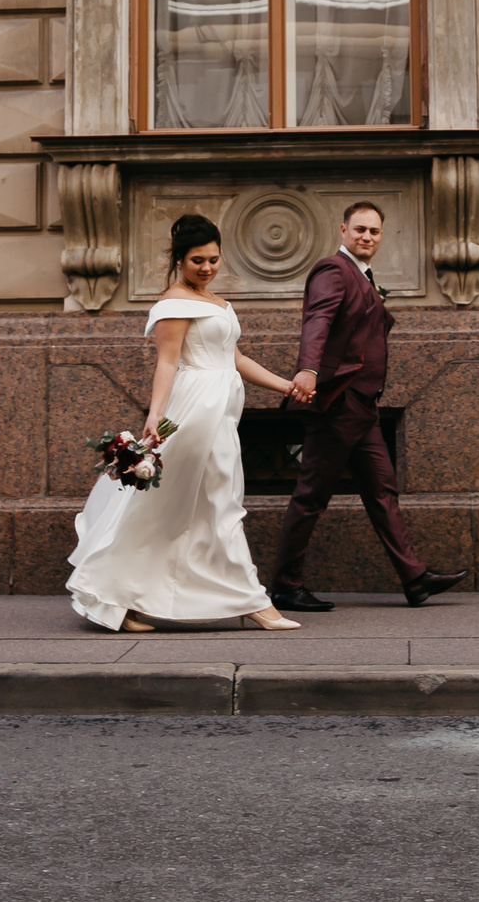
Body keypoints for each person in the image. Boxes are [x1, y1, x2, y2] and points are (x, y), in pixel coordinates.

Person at [66, 214, 305, 634]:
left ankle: (118, 600)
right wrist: (155, 414)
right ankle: (252, 602)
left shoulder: (217, 302)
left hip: (221, 411)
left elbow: (235, 357)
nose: (208, 268)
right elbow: (168, 361)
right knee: (215, 502)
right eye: (198, 261)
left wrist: (286, 385)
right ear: (180, 259)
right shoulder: (173, 305)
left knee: (201, 503)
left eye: (214, 259)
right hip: (195, 410)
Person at [270, 202, 470, 614]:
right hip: (337, 403)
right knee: (311, 496)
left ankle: (414, 578)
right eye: (360, 229)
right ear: (343, 230)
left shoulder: (363, 276)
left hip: (363, 408)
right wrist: (307, 369)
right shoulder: (333, 270)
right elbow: (318, 320)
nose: (367, 237)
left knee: (382, 491)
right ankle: (284, 585)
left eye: (374, 232)